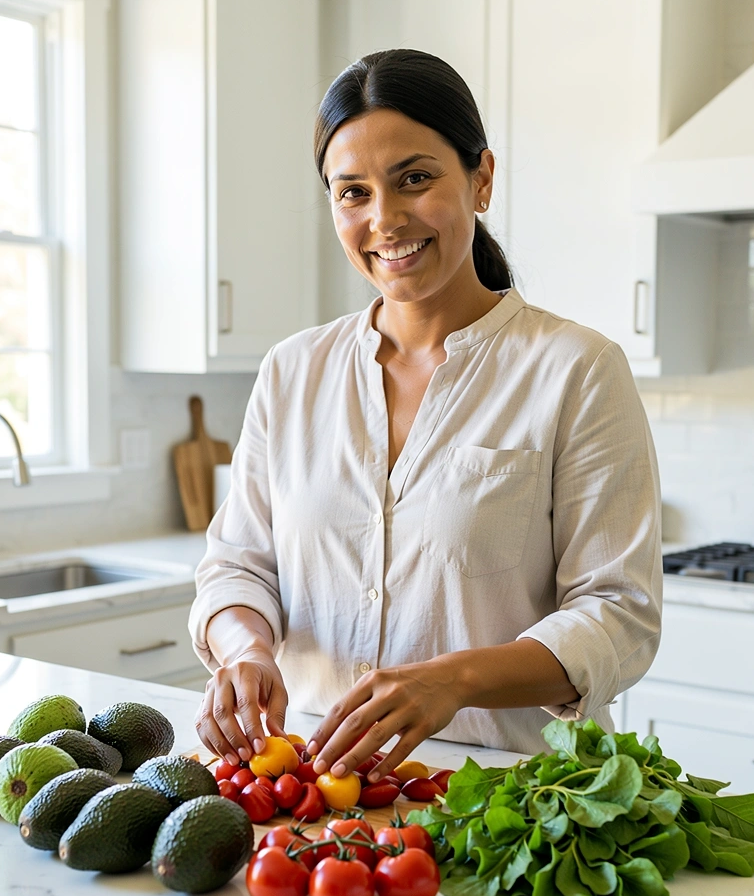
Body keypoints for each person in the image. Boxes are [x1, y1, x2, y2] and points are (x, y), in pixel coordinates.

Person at [189, 49, 661, 785]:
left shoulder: (576, 369)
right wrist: (245, 650)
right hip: (316, 792)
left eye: (415, 178)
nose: (385, 219)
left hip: (506, 801)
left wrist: (455, 680)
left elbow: (619, 615)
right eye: (353, 193)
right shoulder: (292, 371)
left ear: (481, 179)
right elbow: (237, 566)